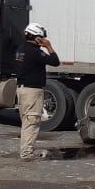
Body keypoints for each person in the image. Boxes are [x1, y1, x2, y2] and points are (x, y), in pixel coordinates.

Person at [15, 23, 60, 160]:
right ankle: (26, 154)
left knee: (27, 122)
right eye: (41, 38)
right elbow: (55, 61)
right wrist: (48, 46)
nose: (42, 40)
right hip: (32, 91)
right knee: (32, 122)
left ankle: (26, 150)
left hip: (22, 89)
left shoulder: (21, 49)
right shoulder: (35, 52)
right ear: (36, 37)